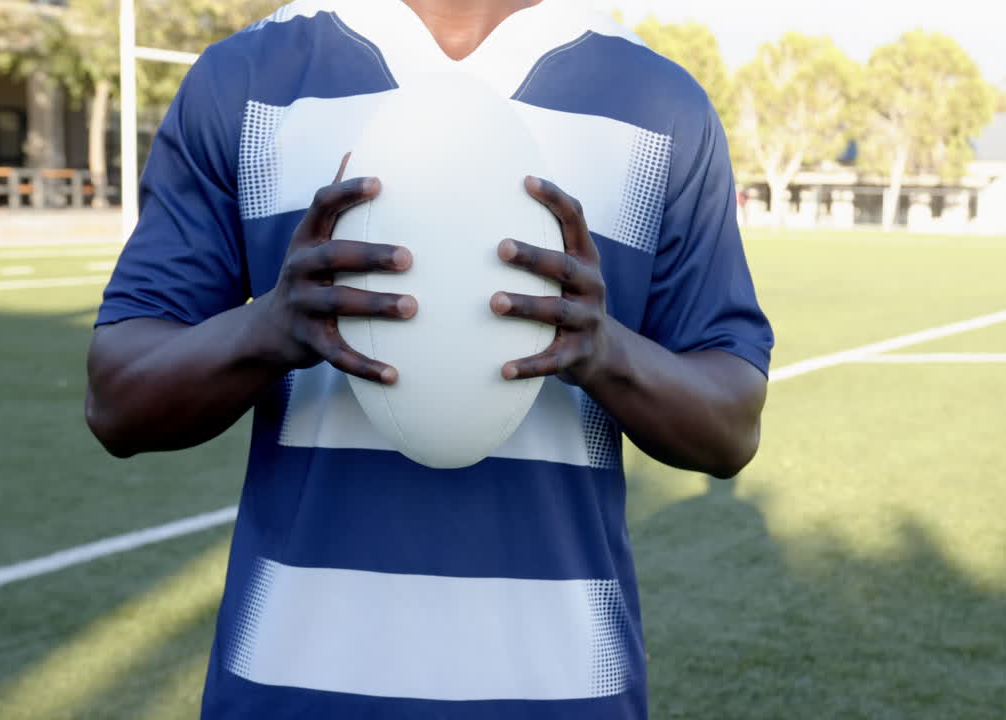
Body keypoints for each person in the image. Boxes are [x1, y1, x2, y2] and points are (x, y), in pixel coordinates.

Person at [85, 0, 773, 717]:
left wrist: (604, 350)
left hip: (562, 693)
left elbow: (732, 428)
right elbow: (116, 400)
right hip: (287, 693)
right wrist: (272, 331)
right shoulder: (249, 80)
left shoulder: (660, 105)